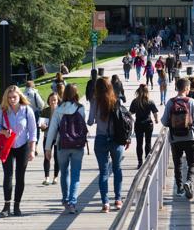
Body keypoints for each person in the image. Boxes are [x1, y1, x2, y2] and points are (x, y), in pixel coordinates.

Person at [45, 84, 87, 214]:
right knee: (75, 175)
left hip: (62, 145)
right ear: (76, 94)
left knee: (64, 173)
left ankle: (65, 198)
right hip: (77, 146)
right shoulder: (81, 108)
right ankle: (72, 202)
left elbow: (52, 129)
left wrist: (47, 148)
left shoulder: (58, 110)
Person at [0, 85, 37, 217]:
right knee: (7, 175)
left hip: (23, 146)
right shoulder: (3, 110)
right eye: (9, 97)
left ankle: (17, 206)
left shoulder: (27, 111)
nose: (12, 99)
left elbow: (33, 130)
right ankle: (6, 206)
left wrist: (32, 149)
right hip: (7, 146)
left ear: (20, 97)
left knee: (20, 177)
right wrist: (3, 131)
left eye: (14, 97)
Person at [88, 78, 128, 213]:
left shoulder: (95, 101)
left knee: (103, 172)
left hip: (101, 139)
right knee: (117, 169)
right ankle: (118, 199)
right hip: (116, 140)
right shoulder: (116, 100)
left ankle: (105, 203)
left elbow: (90, 121)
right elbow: (124, 120)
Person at [161, 78, 194, 200]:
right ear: (187, 88)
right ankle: (189, 181)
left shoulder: (170, 102)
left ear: (177, 88)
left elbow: (165, 122)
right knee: (192, 162)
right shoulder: (192, 102)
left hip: (175, 139)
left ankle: (179, 188)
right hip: (190, 137)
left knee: (178, 164)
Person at [129, 84, 159, 169]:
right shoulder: (150, 101)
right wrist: (156, 120)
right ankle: (147, 161)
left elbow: (130, 113)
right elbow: (155, 112)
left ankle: (140, 162)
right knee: (148, 142)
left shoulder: (135, 101)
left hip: (138, 123)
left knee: (139, 143)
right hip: (148, 123)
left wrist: (131, 120)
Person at [40, 93, 60, 186]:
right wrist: (42, 126)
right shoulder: (45, 111)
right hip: (47, 136)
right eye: (51, 100)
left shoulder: (61, 111)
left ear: (58, 100)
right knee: (47, 157)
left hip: (58, 137)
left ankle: (55, 177)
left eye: (55, 100)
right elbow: (41, 126)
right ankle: (46, 177)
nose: (53, 102)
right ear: (48, 101)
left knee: (57, 157)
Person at [24, 81, 44, 149]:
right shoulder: (35, 93)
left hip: (25, 113)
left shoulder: (22, 94)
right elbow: (41, 104)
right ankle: (35, 145)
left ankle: (27, 144)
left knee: (26, 128)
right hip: (35, 113)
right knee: (36, 129)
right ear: (33, 86)